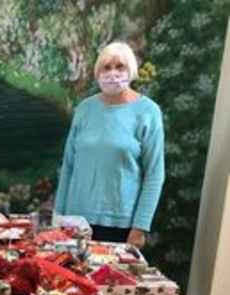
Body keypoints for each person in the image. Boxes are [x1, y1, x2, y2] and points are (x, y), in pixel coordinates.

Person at [54, 41, 165, 248]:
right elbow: (68, 166)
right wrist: (58, 217)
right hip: (75, 223)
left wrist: (140, 226)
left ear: (131, 70)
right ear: (98, 72)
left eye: (120, 66)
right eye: (106, 67)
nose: (113, 73)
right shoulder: (84, 109)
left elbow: (155, 175)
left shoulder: (148, 112)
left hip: (121, 226)